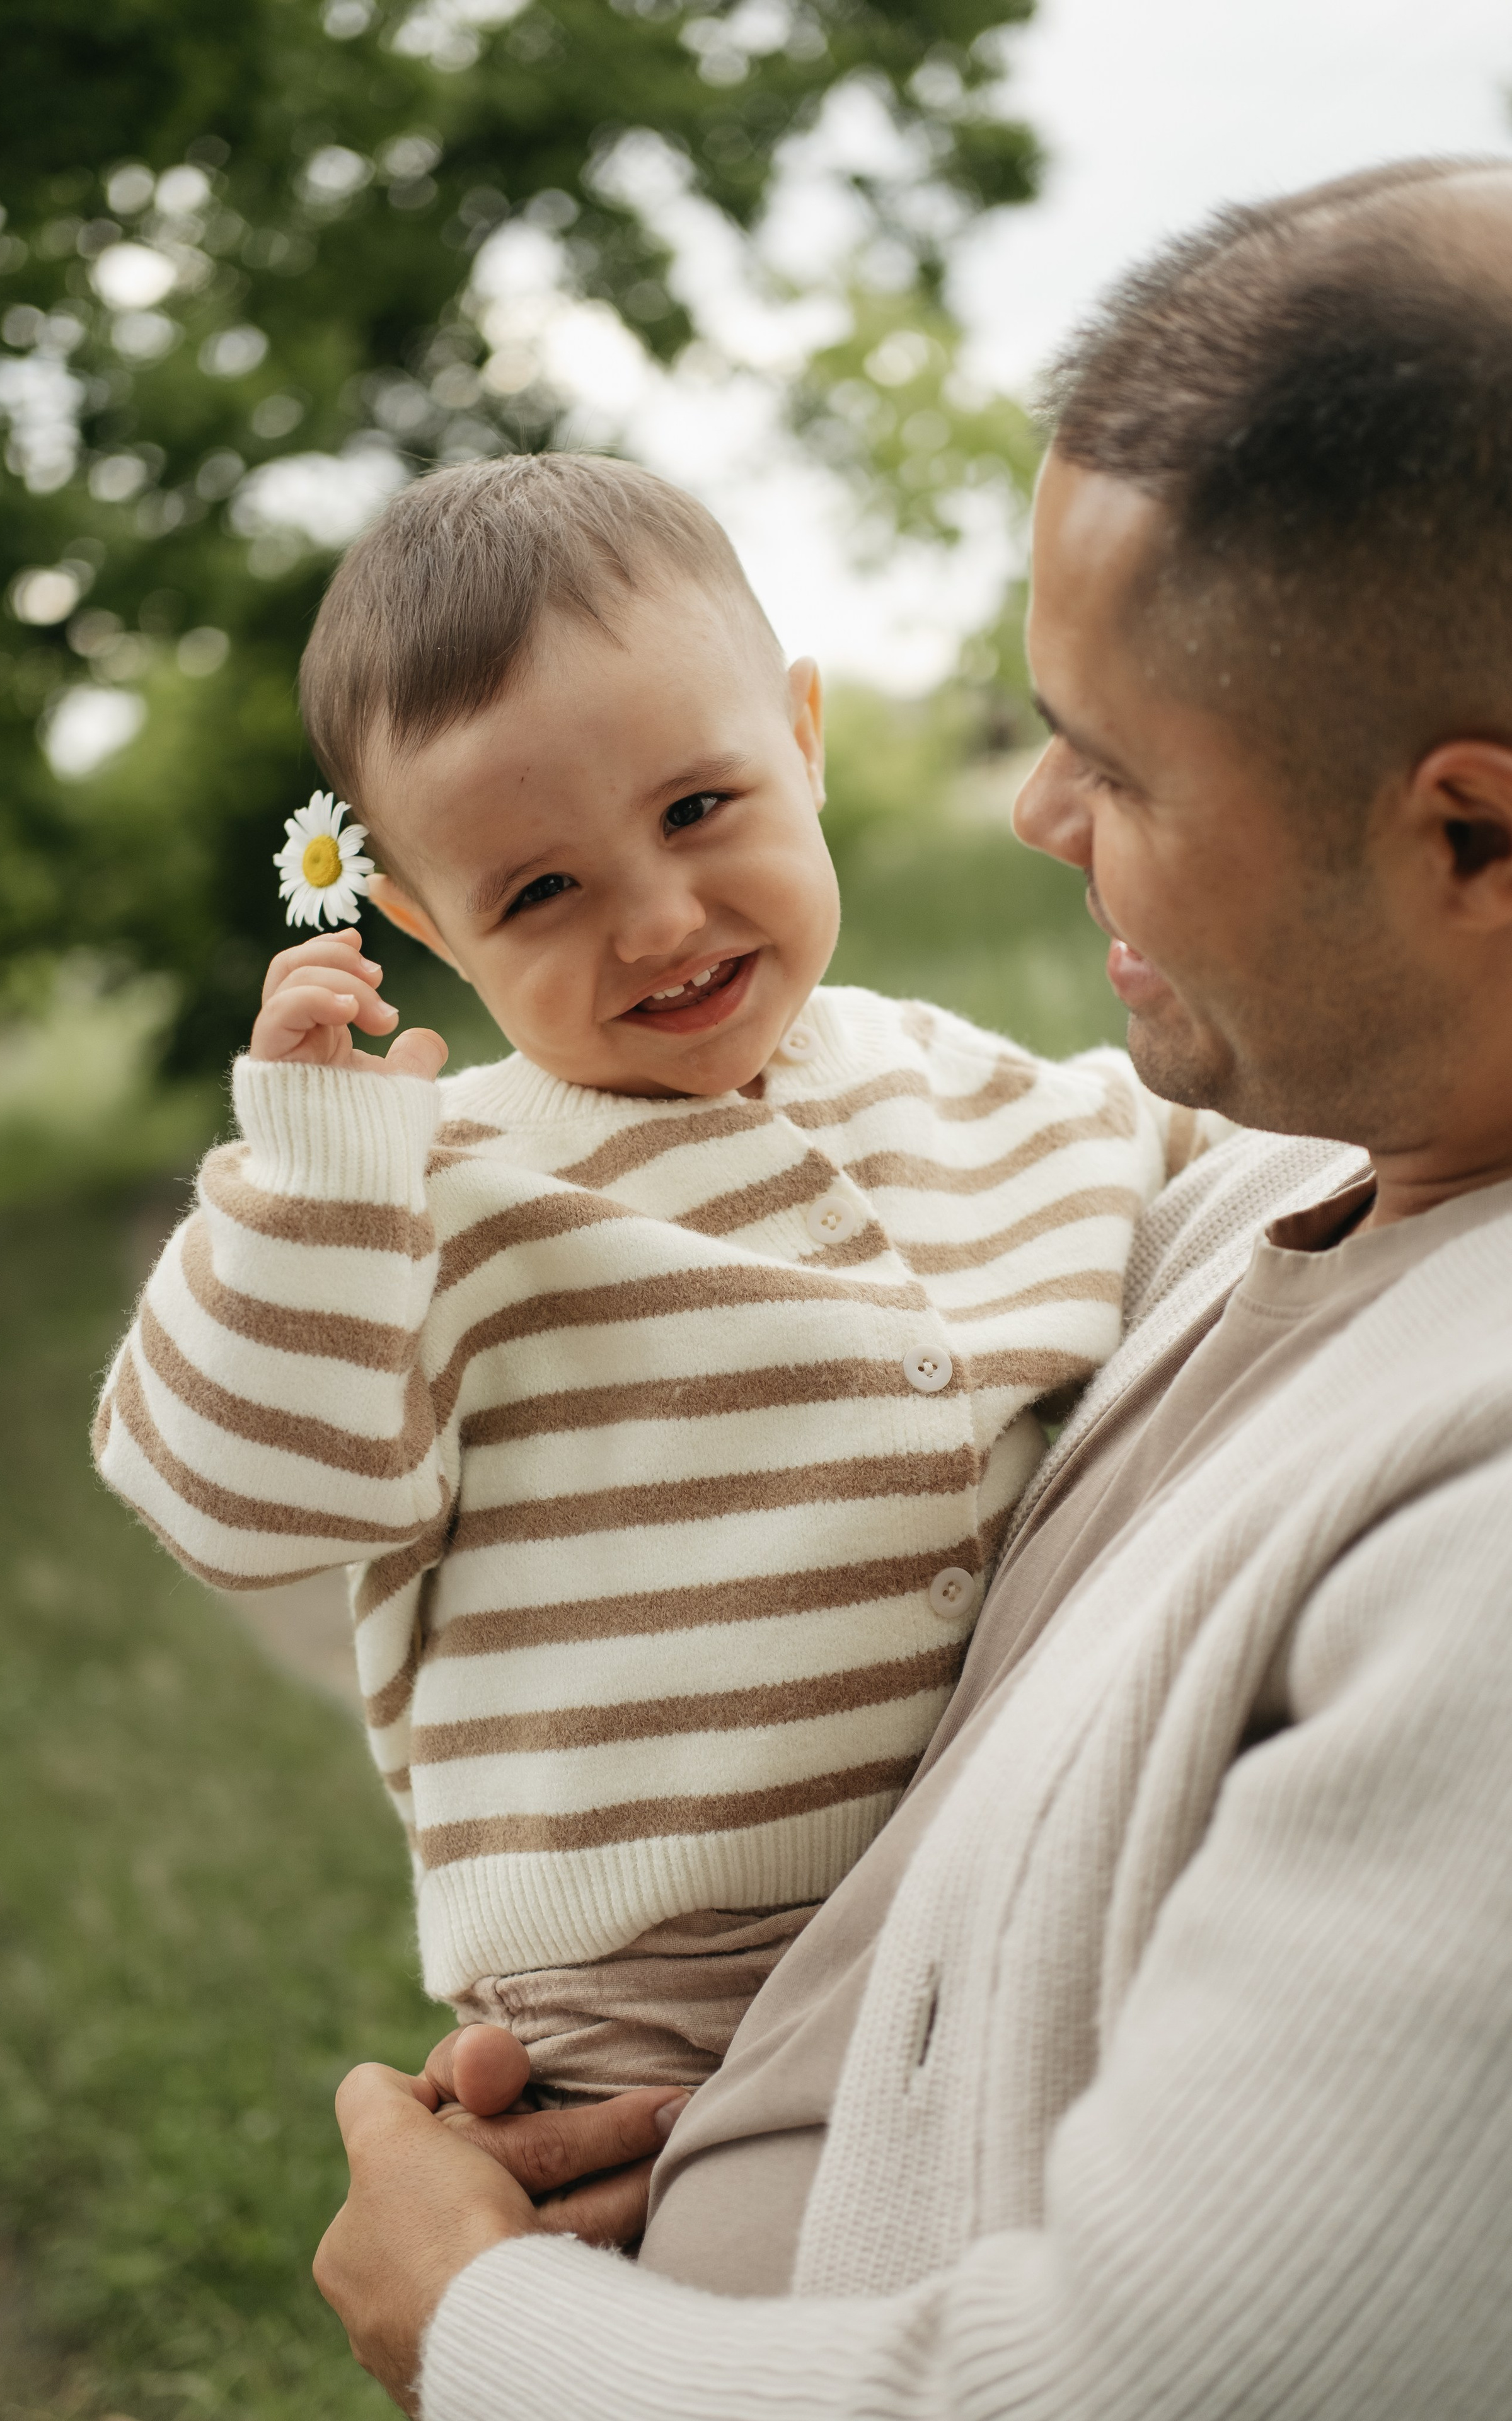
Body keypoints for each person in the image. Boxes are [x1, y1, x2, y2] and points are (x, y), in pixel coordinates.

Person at [310, 156, 1512, 2418]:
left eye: (1120, 759)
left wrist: (477, 2324)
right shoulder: (1261, 1172)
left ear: (1476, 834)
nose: (1043, 814)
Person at [93, 455, 1217, 2106]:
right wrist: (316, 1173)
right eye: (538, 891)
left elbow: (1258, 1190)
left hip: (1024, 1876)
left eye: (699, 809)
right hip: (649, 1998)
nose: (658, 918)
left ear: (804, 741)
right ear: (428, 925)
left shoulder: (983, 1093)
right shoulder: (436, 1194)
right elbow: (228, 1498)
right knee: (692, 2332)